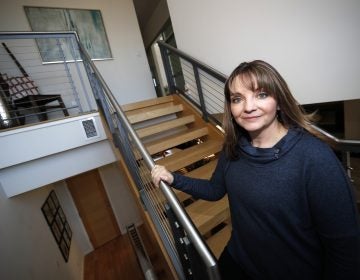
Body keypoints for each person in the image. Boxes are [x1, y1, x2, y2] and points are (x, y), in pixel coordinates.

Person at [151, 60, 360, 279]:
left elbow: (345, 249)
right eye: (237, 99)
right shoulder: (233, 149)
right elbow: (214, 190)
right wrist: (174, 179)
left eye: (261, 95)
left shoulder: (315, 157)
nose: (248, 107)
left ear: (279, 101)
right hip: (238, 261)